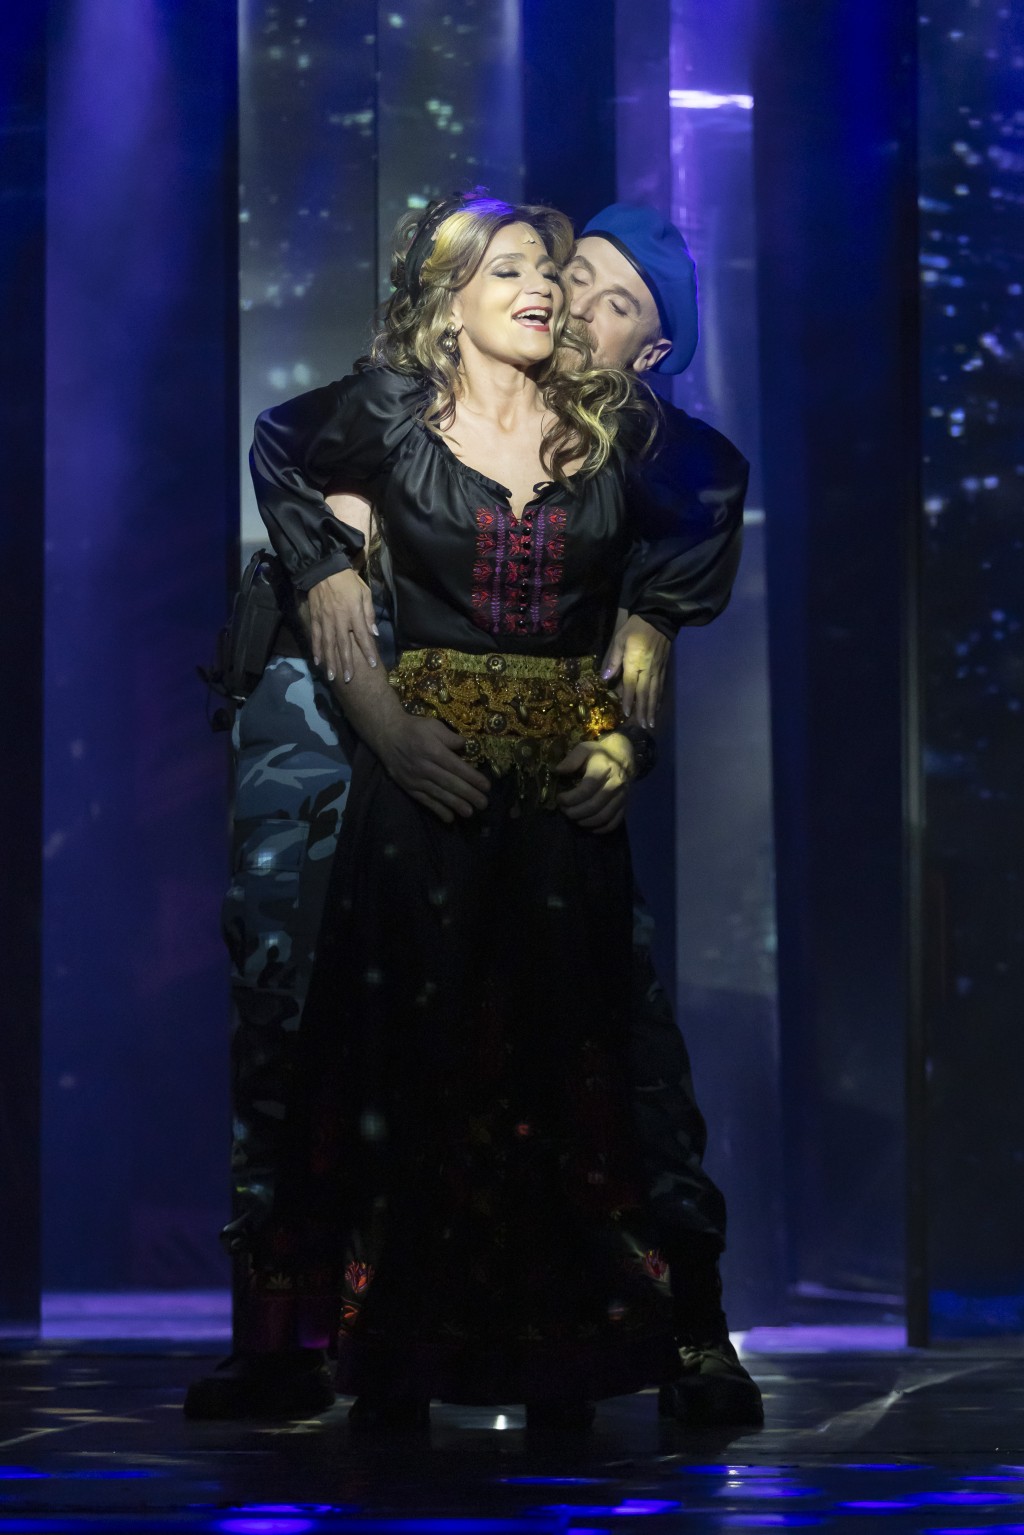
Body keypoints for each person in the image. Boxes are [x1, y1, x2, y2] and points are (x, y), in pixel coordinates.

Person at [185, 199, 760, 1428]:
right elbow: (298, 470)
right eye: (553, 273)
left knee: (596, 1043)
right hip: (364, 745)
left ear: (652, 347)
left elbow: (657, 557)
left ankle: (659, 1329)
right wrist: (330, 577)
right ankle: (296, 1332)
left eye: (600, 294)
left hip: (536, 779)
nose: (565, 300)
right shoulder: (401, 411)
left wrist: (648, 638)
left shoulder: (620, 440)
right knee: (323, 1014)